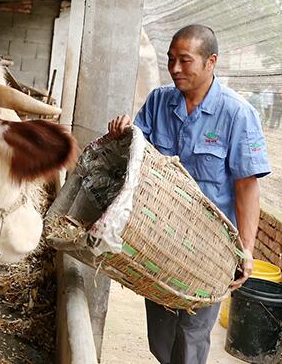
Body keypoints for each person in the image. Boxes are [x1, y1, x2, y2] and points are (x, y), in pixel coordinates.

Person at [108, 25, 271, 364]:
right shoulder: (158, 102)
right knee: (161, 336)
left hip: (210, 248)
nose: (175, 68)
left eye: (185, 60)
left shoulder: (237, 114)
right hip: (161, 239)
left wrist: (246, 249)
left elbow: (246, 187)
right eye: (171, 60)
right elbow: (139, 158)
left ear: (211, 61)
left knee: (193, 335)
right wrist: (123, 135)